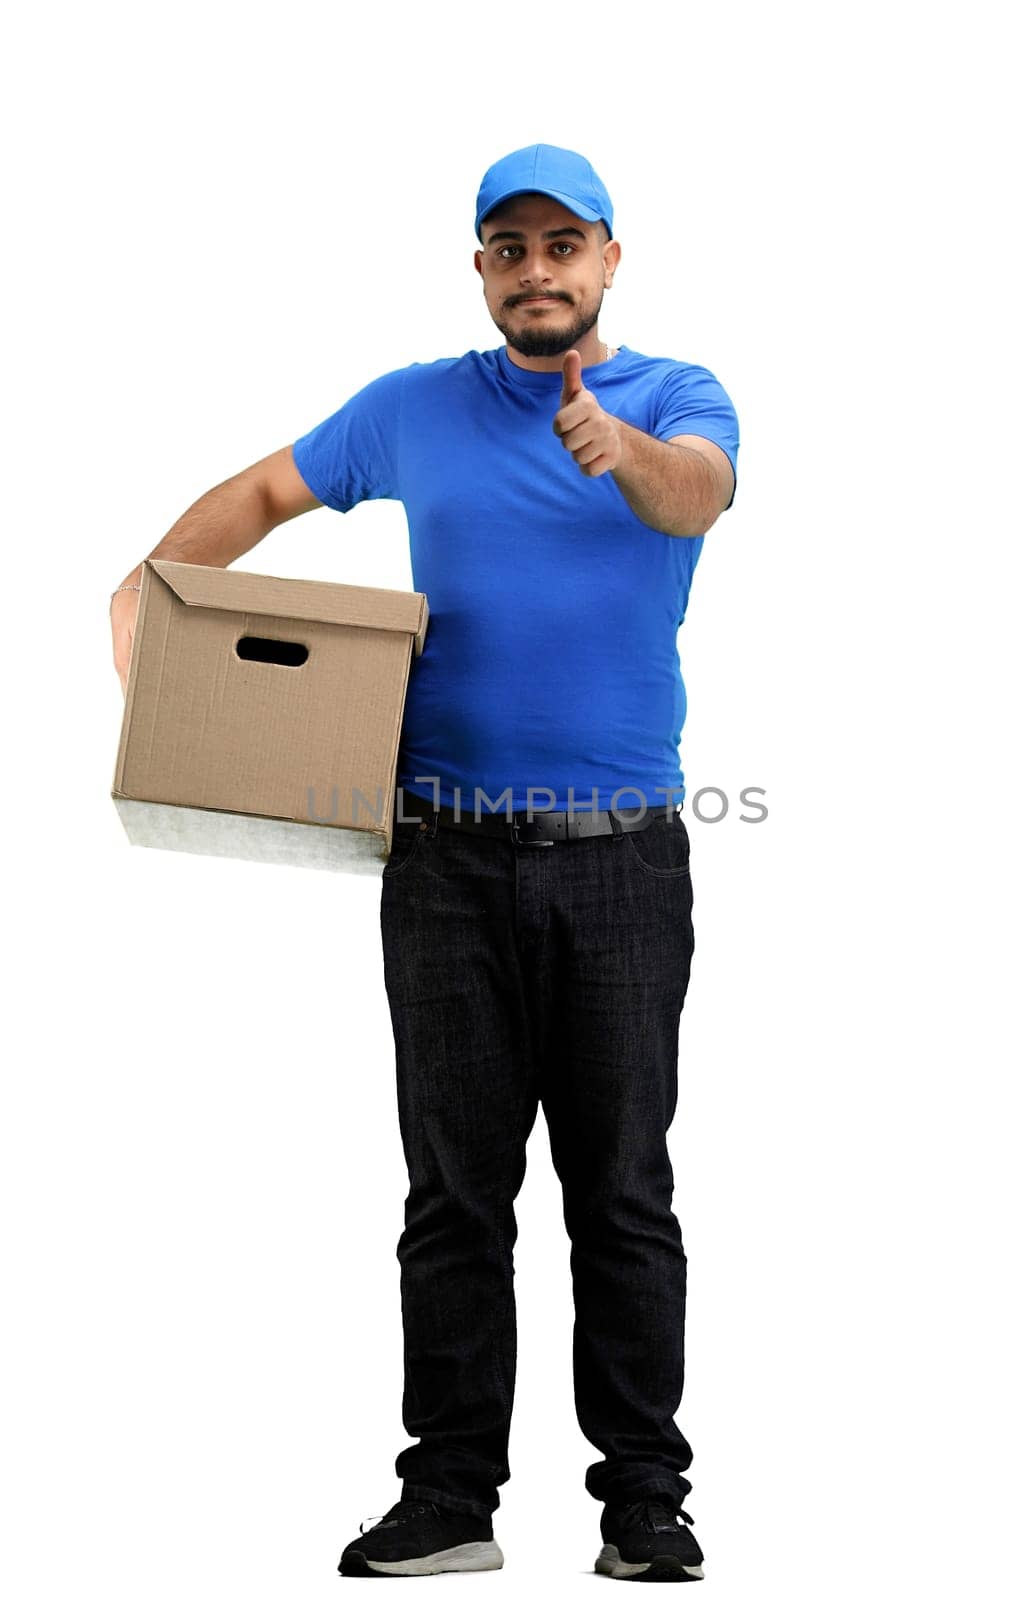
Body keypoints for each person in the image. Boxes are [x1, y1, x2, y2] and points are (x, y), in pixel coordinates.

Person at [110, 143, 739, 1582]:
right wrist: (146, 595)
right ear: (481, 269)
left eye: (562, 246)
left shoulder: (677, 399)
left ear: (608, 261)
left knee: (621, 1192)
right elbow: (266, 489)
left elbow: (695, 497)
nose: (538, 272)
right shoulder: (412, 407)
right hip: (443, 865)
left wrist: (616, 451)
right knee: (454, 1195)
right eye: (508, 249)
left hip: (621, 867)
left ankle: (646, 1501)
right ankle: (449, 1499)